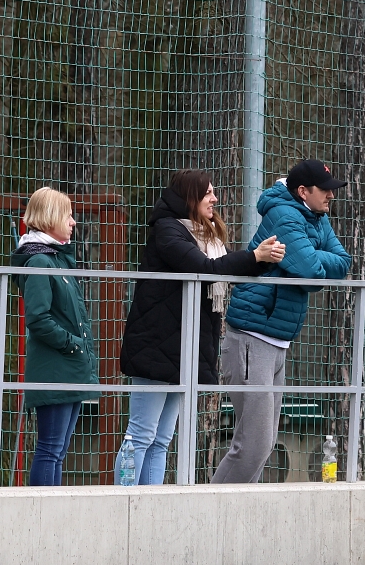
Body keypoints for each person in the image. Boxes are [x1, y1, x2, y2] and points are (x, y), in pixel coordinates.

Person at [119, 171, 283, 484]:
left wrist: (261, 260)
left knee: (161, 439)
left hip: (179, 348)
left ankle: (150, 503)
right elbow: (205, 269)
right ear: (190, 197)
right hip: (155, 345)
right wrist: (253, 256)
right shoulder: (168, 230)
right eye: (208, 193)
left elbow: (219, 267)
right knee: (140, 434)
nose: (214, 199)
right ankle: (122, 500)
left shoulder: (202, 235)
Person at [212, 160, 351, 484]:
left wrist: (308, 256)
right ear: (303, 191)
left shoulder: (317, 217)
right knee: (254, 445)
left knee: (262, 444)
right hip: (252, 337)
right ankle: (208, 509)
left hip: (277, 339)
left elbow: (343, 262)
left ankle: (234, 511)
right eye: (325, 190)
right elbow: (312, 274)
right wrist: (310, 262)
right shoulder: (284, 215)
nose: (331, 196)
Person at [13, 188, 100, 486]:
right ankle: (40, 511)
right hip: (55, 367)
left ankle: (53, 510)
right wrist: (72, 344)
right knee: (50, 449)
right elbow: (38, 318)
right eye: (68, 216)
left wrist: (77, 348)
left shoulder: (57, 259)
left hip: (69, 367)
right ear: (50, 217)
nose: (73, 222)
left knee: (58, 452)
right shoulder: (39, 261)